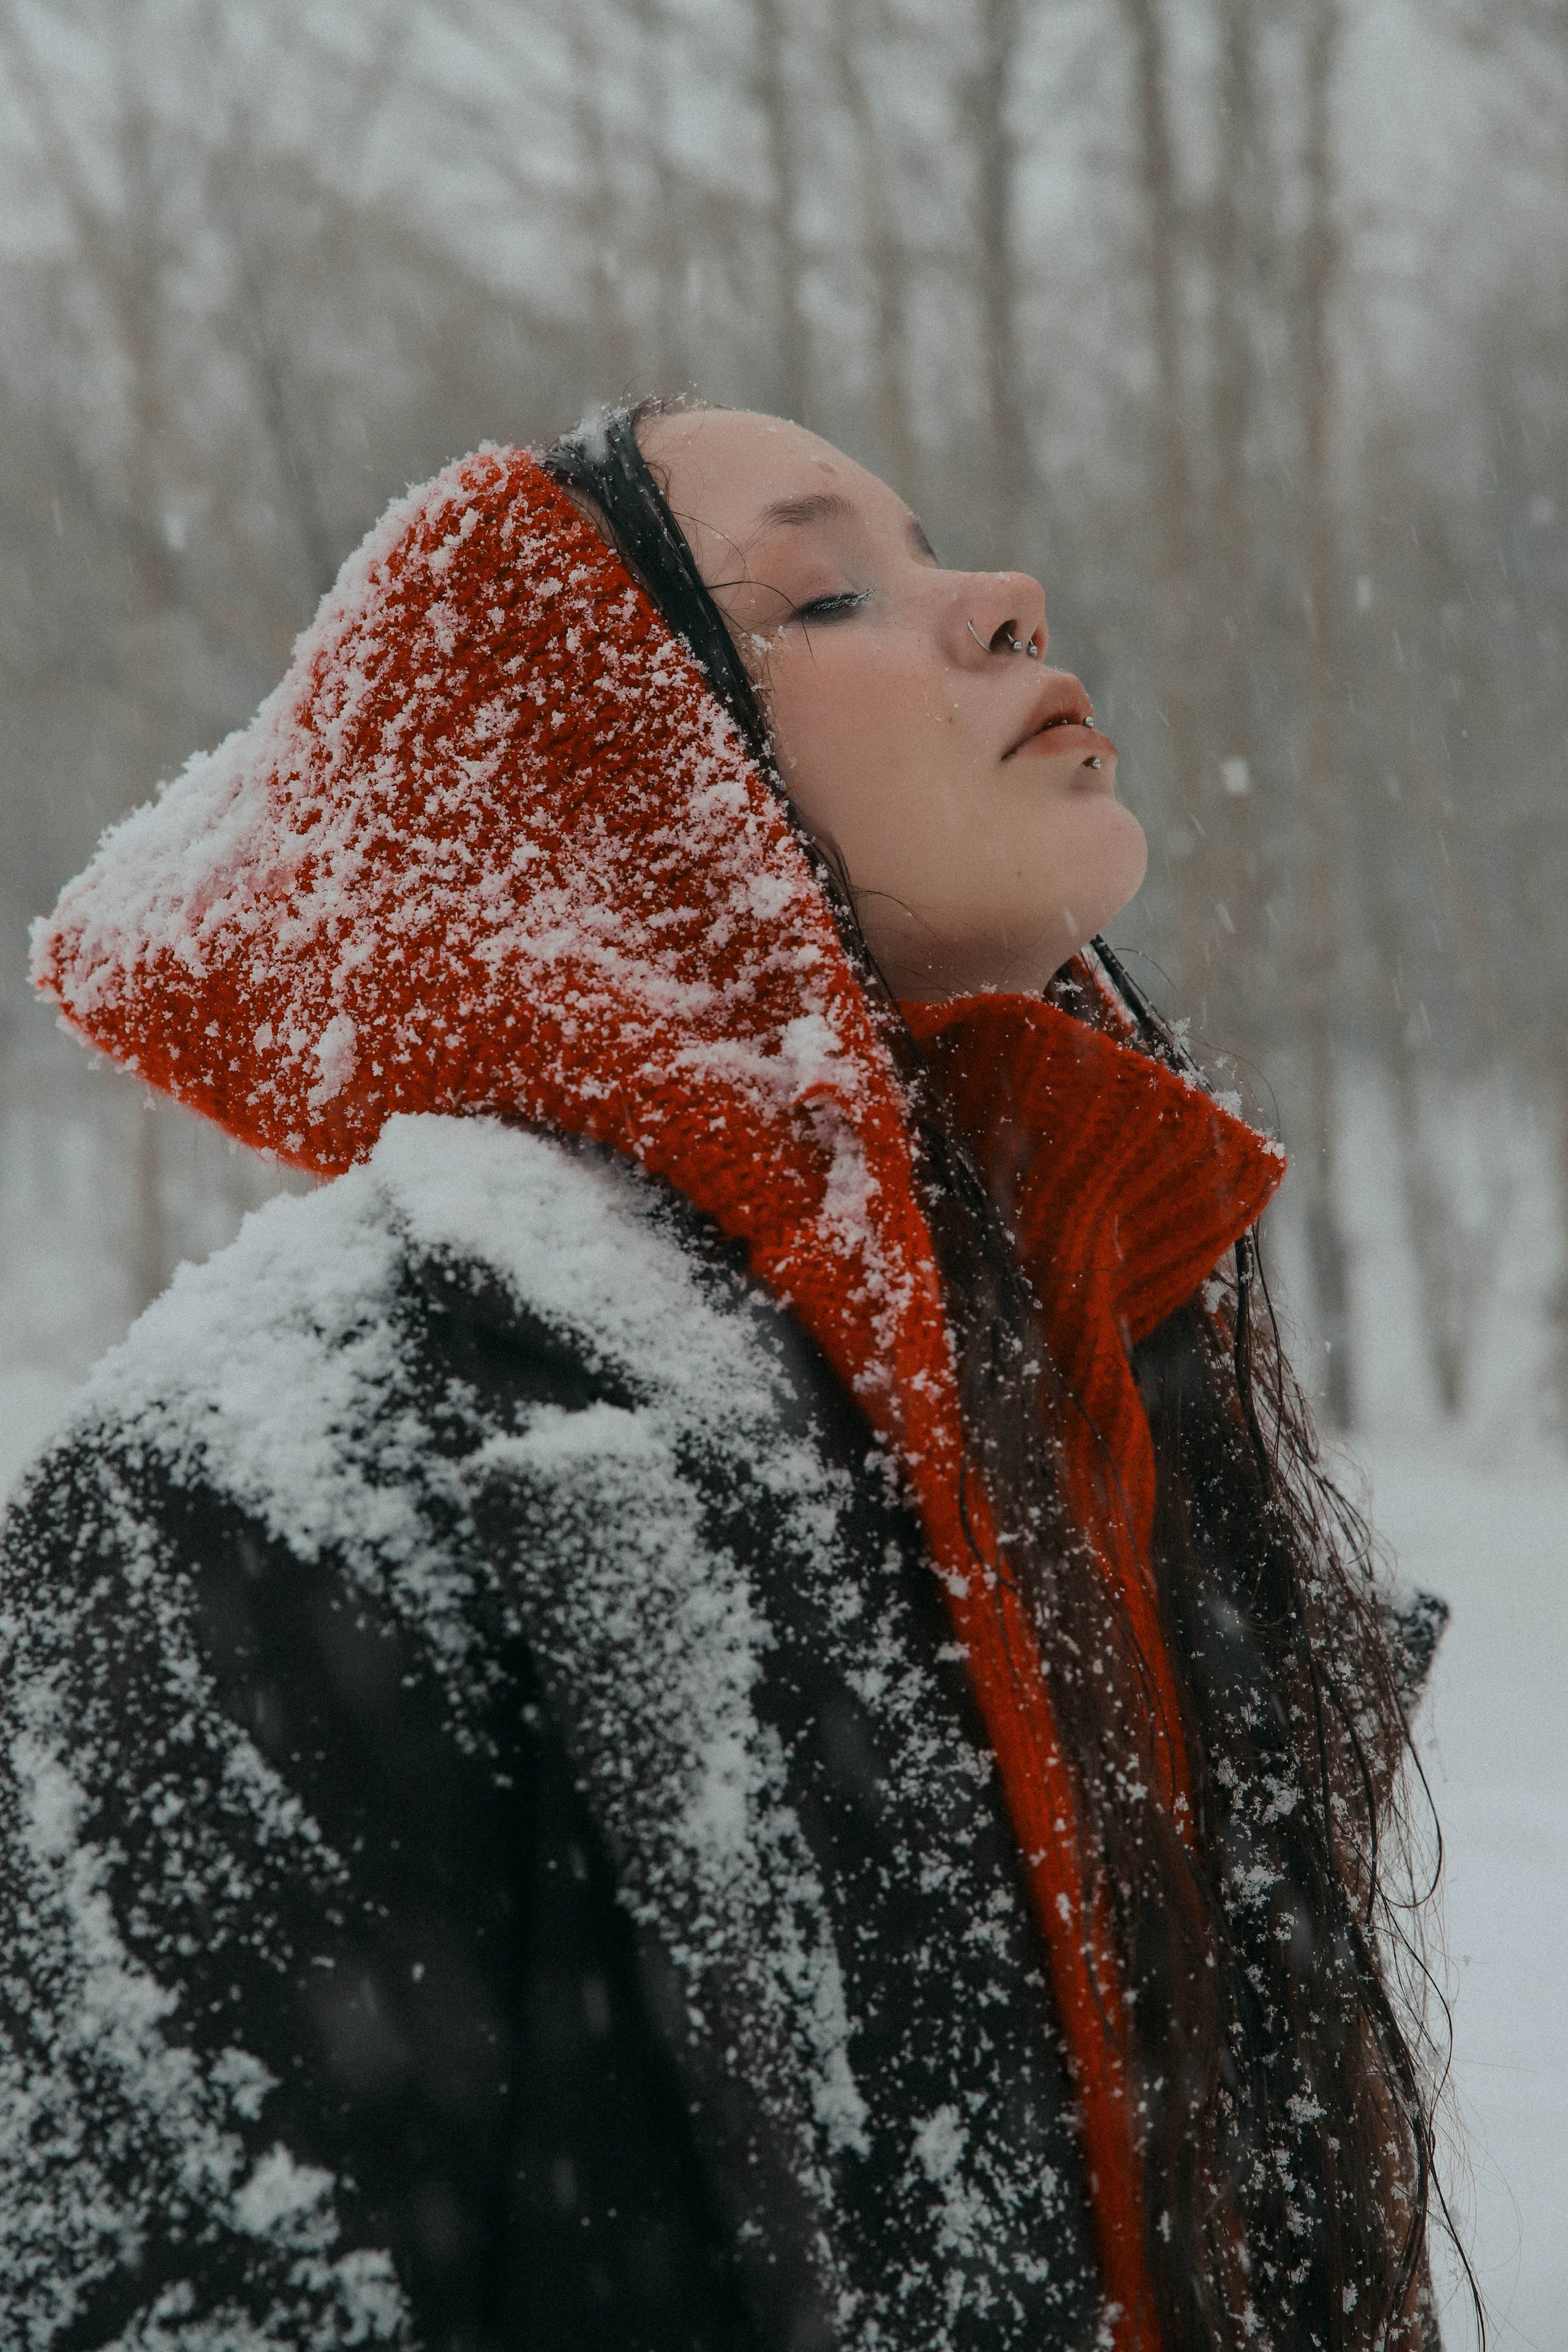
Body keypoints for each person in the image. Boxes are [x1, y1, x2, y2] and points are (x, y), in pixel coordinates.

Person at [1, 399, 1449, 2352]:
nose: (1004, 598)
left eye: (942, 550)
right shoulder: (284, 1487)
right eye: (832, 588)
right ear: (604, 791)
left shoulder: (1093, 1437)